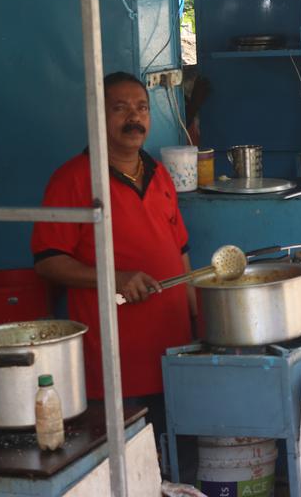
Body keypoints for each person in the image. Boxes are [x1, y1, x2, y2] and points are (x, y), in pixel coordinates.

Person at [31, 72, 197, 464]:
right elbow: (47, 263)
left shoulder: (159, 175)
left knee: (179, 466)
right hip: (116, 368)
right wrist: (115, 279)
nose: (133, 118)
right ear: (96, 117)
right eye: (119, 108)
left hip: (173, 355)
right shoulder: (72, 180)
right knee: (130, 469)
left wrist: (197, 319)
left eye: (141, 108)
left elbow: (182, 252)